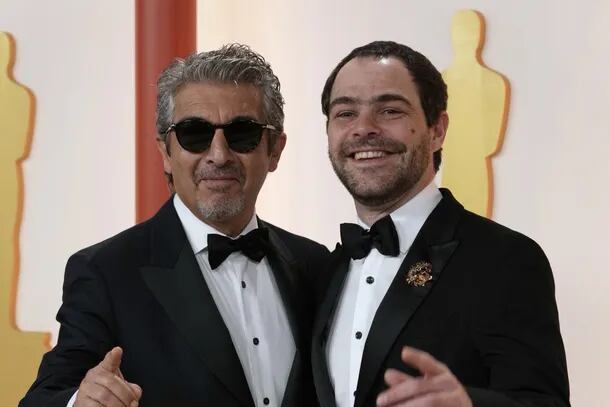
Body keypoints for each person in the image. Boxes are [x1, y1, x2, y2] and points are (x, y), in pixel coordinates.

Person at [20, 44, 329, 407]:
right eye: (194, 134)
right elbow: (43, 398)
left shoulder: (315, 265)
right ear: (166, 153)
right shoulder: (106, 272)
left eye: (242, 133)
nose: (218, 155)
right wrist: (80, 402)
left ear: (274, 150)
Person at [311, 41, 569, 407]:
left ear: (437, 130)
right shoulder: (324, 270)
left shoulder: (505, 259)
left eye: (389, 110)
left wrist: (469, 404)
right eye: (345, 113)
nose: (363, 129)